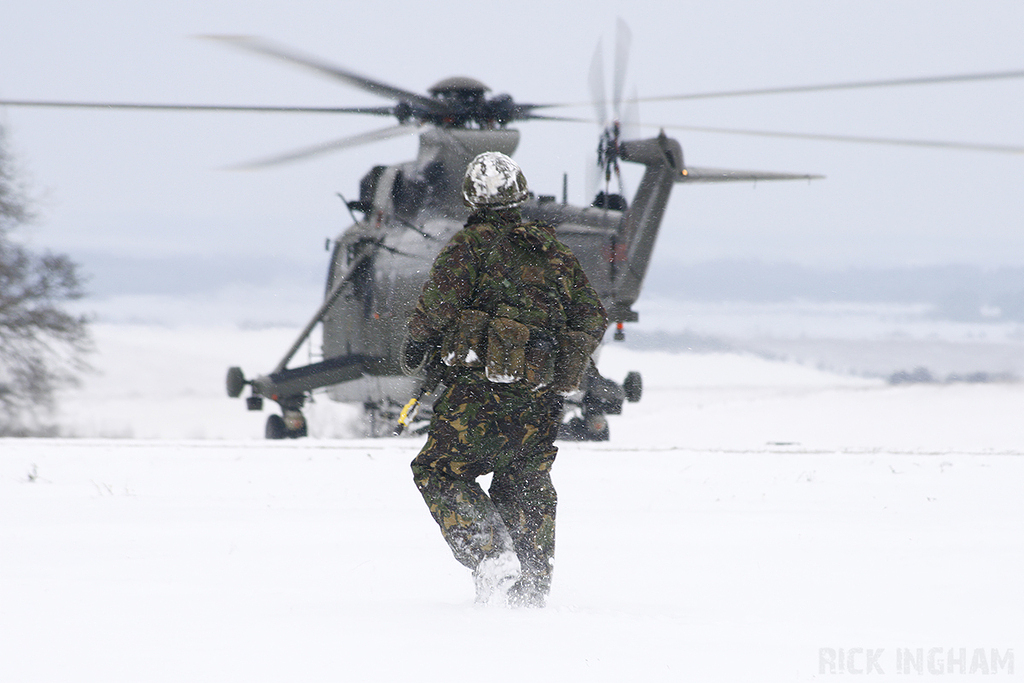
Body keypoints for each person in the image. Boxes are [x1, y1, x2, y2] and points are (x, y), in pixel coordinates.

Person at [404, 151, 608, 607]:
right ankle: (529, 593)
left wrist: (417, 345)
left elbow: (436, 307)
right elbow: (592, 317)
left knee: (438, 469)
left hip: (478, 395)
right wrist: (552, 358)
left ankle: (491, 555)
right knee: (526, 483)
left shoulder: (468, 247)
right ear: (519, 193)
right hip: (539, 400)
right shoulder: (553, 252)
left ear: (471, 198)